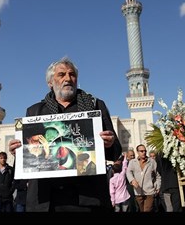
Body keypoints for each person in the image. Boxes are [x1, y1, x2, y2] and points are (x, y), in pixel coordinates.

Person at [9, 57, 122, 212]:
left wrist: (109, 143)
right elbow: (29, 159)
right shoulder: (34, 112)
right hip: (47, 200)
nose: (68, 79)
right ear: (50, 82)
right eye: (61, 75)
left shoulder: (95, 106)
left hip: (87, 199)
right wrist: (19, 152)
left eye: (72, 74)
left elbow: (116, 151)